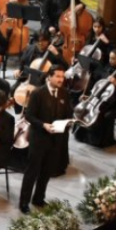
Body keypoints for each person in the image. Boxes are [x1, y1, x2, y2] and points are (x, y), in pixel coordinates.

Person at [19, 67, 72, 213]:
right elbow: (29, 116)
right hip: (39, 138)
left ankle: (38, 198)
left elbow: (68, 113)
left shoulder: (64, 93)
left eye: (62, 76)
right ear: (49, 77)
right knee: (32, 172)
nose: (61, 79)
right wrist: (43, 125)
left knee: (46, 172)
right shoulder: (38, 93)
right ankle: (24, 202)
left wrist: (69, 122)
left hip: (56, 140)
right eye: (58, 76)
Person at [75, 48, 116, 148]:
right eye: (110, 58)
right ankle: (82, 135)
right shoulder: (109, 66)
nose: (110, 60)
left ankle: (100, 141)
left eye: (113, 59)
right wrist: (89, 95)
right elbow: (99, 81)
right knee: (86, 107)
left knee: (101, 113)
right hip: (104, 97)